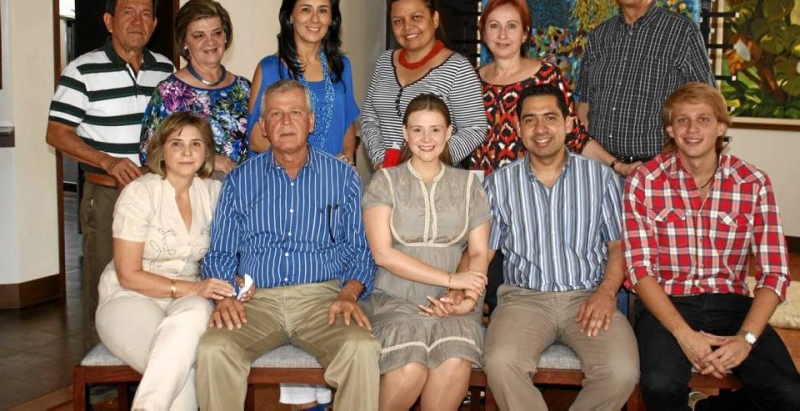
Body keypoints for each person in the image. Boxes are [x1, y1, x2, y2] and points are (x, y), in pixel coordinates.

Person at [196, 79, 380, 411]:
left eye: (295, 112)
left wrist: (348, 294)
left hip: (323, 300)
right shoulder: (239, 181)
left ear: (311, 121)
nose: (285, 122)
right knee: (213, 349)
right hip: (255, 301)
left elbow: (360, 253)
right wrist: (225, 297)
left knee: (361, 348)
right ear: (263, 126)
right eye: (275, 114)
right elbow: (220, 253)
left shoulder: (343, 177)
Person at [623, 82, 800, 411]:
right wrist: (684, 335)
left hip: (731, 305)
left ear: (721, 126)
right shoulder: (644, 181)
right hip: (667, 304)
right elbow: (638, 271)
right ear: (670, 130)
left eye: (703, 119)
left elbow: (774, 272)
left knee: (790, 394)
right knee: (661, 385)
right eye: (683, 121)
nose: (692, 129)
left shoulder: (753, 182)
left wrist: (745, 340)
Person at [468, 0, 640, 315]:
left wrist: (615, 165)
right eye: (494, 26)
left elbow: (573, 135)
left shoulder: (546, 75)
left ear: (525, 32)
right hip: (488, 203)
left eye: (511, 26)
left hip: (537, 202)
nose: (502, 35)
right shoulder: (470, 80)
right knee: (487, 294)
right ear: (483, 32)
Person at [482, 84, 639, 411]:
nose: (540, 129)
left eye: (550, 118)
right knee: (500, 363)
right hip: (523, 299)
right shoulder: (499, 182)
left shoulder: (600, 178)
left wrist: (606, 293)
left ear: (569, 124)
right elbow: (483, 252)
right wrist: (459, 288)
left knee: (621, 372)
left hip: (588, 297)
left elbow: (617, 247)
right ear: (518, 127)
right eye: (530, 120)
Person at [46, 0, 174, 348]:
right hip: (107, 196)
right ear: (108, 20)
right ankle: (103, 375)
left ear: (155, 23)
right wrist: (107, 161)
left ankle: (149, 361)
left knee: (154, 276)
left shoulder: (164, 69)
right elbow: (56, 133)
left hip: (158, 195)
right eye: (128, 12)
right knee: (107, 281)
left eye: (146, 14)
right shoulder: (82, 70)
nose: (137, 21)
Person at [95, 112, 235, 410]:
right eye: (177, 143)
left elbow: (238, 243)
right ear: (162, 149)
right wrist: (194, 289)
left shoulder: (214, 193)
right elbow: (128, 275)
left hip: (189, 297)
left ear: (207, 152)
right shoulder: (140, 193)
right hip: (129, 296)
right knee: (182, 370)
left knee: (195, 314)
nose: (187, 152)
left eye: (196, 144)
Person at [362, 93, 490, 411]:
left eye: (435, 130)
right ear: (405, 133)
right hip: (398, 297)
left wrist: (466, 297)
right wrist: (451, 278)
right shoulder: (384, 182)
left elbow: (478, 253)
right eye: (417, 130)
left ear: (449, 133)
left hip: (455, 302)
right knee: (410, 369)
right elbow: (383, 255)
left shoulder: (469, 185)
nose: (426, 139)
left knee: (453, 363)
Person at [575, 0, 715, 170]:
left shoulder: (681, 33)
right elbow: (584, 109)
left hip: (659, 172)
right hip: (600, 170)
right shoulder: (599, 37)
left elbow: (707, 105)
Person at [361, 0, 487, 169]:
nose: (407, 27)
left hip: (436, 181)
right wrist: (381, 161)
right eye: (398, 21)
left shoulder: (457, 68)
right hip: (387, 179)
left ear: (434, 19)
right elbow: (370, 119)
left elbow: (475, 129)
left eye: (416, 17)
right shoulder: (384, 62)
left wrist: (427, 163)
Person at [248, 0, 359, 166]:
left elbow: (347, 123)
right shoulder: (270, 68)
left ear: (332, 19)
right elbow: (256, 139)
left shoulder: (342, 66)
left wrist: (347, 157)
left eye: (323, 11)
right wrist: (309, 164)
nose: (315, 19)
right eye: (306, 9)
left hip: (333, 180)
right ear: (290, 16)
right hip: (285, 180)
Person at [140, 0, 250, 176]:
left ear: (226, 36)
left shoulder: (244, 89)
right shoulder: (169, 92)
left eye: (217, 33)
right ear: (184, 42)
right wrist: (208, 161)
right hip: (190, 195)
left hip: (242, 194)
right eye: (199, 35)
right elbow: (150, 156)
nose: (210, 42)